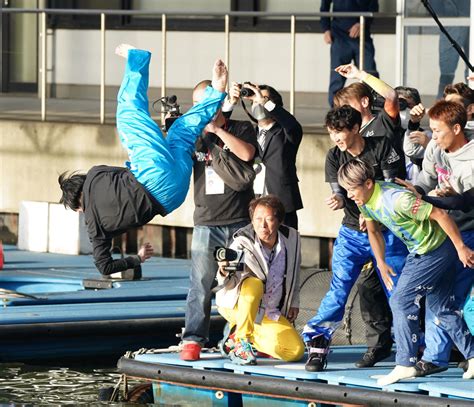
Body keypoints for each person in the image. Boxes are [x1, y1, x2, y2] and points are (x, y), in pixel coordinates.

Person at [58, 44, 228, 276]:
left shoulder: (93, 227)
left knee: (182, 133)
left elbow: (104, 267)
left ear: (79, 208)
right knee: (129, 115)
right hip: (151, 176)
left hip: (172, 197)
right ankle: (138, 59)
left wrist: (136, 258)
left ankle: (215, 93)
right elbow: (128, 170)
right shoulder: (95, 174)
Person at [337, 158, 474, 385]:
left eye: (352, 189)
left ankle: (405, 363)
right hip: (422, 250)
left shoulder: (397, 200)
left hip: (436, 250)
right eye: (346, 190)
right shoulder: (364, 201)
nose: (350, 195)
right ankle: (472, 355)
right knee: (442, 307)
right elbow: (373, 231)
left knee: (401, 300)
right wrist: (380, 261)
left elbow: (441, 215)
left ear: (369, 183)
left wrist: (461, 247)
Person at [302, 105, 408, 372]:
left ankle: (414, 350)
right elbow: (339, 191)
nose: (335, 138)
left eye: (339, 132)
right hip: (352, 233)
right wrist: (338, 199)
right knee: (339, 290)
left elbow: (394, 186)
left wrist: (372, 211)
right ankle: (317, 345)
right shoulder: (334, 156)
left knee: (398, 291)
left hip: (388, 232)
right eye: (331, 133)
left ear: (355, 128)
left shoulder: (383, 146)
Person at [180, 82, 258, 361]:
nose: (201, 110)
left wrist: (217, 130)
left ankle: (236, 337)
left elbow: (248, 154)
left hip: (238, 220)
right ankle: (193, 338)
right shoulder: (193, 134)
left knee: (239, 283)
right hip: (206, 220)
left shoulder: (240, 127)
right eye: (196, 104)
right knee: (200, 283)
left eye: (206, 103)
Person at [407, 100, 474, 376]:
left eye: (438, 131)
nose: (432, 137)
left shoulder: (471, 160)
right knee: (438, 293)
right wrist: (412, 191)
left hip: (468, 229)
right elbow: (425, 180)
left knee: (455, 297)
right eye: (431, 130)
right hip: (443, 229)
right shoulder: (436, 147)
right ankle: (437, 355)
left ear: (457, 128)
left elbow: (464, 202)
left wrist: (436, 199)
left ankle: (444, 354)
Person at [215, 195, 305, 365]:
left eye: (269, 219)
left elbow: (295, 271)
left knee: (295, 351)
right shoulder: (241, 243)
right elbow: (230, 284)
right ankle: (241, 343)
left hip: (269, 310)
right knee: (253, 283)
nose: (262, 225)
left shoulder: (292, 238)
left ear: (279, 221)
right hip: (238, 305)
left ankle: (236, 335)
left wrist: (294, 301)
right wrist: (224, 270)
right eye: (257, 219)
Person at [223, 82, 303, 229]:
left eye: (262, 99)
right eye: (253, 101)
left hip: (282, 202)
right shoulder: (246, 131)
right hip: (251, 201)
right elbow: (219, 127)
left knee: (286, 247)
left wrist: (265, 102)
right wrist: (230, 103)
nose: (257, 103)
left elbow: (293, 126)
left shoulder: (285, 132)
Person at [333, 63, 406, 179]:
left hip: (392, 189)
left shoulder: (383, 120)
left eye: (347, 105)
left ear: (364, 102)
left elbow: (391, 96)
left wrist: (360, 75)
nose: (344, 111)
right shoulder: (348, 134)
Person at [320, 0, 379, 107]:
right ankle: (336, 116)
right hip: (339, 37)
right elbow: (324, 6)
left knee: (370, 76)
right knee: (336, 79)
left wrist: (362, 23)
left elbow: (373, 6)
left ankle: (374, 113)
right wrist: (326, 29)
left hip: (362, 37)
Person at [429, 0, 470, 99]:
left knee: (469, 72)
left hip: (456, 16)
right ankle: (441, 109)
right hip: (452, 19)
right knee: (447, 74)